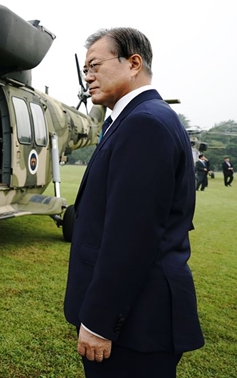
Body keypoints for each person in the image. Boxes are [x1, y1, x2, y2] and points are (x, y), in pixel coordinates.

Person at [63, 27, 204, 378]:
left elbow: (131, 238)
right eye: (85, 69)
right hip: (136, 316)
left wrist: (99, 322)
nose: (88, 76)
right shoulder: (137, 119)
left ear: (134, 63)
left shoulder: (144, 124)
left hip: (136, 324)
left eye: (94, 65)